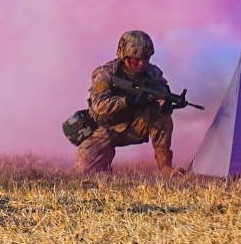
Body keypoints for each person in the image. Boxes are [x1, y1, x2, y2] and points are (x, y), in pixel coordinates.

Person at [74, 30, 178, 175]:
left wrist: (164, 106)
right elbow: (99, 105)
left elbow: (162, 100)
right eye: (136, 59)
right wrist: (127, 101)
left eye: (146, 58)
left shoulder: (153, 74)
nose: (142, 63)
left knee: (162, 116)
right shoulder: (106, 74)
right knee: (87, 171)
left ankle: (165, 167)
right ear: (124, 58)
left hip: (134, 125)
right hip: (105, 129)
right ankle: (104, 164)